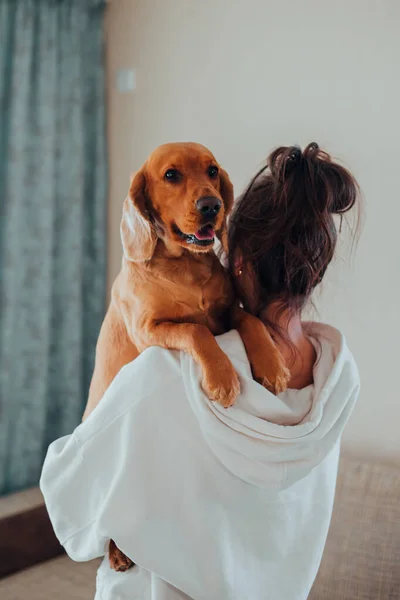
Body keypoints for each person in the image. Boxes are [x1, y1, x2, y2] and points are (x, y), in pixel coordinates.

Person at [40, 142, 361, 600]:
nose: (204, 193)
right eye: (175, 177)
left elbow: (69, 492)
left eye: (211, 178)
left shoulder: (165, 377)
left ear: (239, 261)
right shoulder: (341, 378)